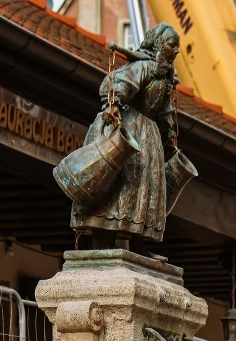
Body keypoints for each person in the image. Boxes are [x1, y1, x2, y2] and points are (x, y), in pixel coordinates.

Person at [70, 22, 180, 249]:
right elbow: (118, 82)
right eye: (172, 45)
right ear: (159, 44)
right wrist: (114, 104)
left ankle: (140, 245)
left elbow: (166, 112)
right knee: (121, 183)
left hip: (148, 136)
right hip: (129, 128)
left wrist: (168, 138)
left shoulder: (166, 76)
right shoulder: (145, 67)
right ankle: (103, 241)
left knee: (144, 189)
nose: (177, 50)